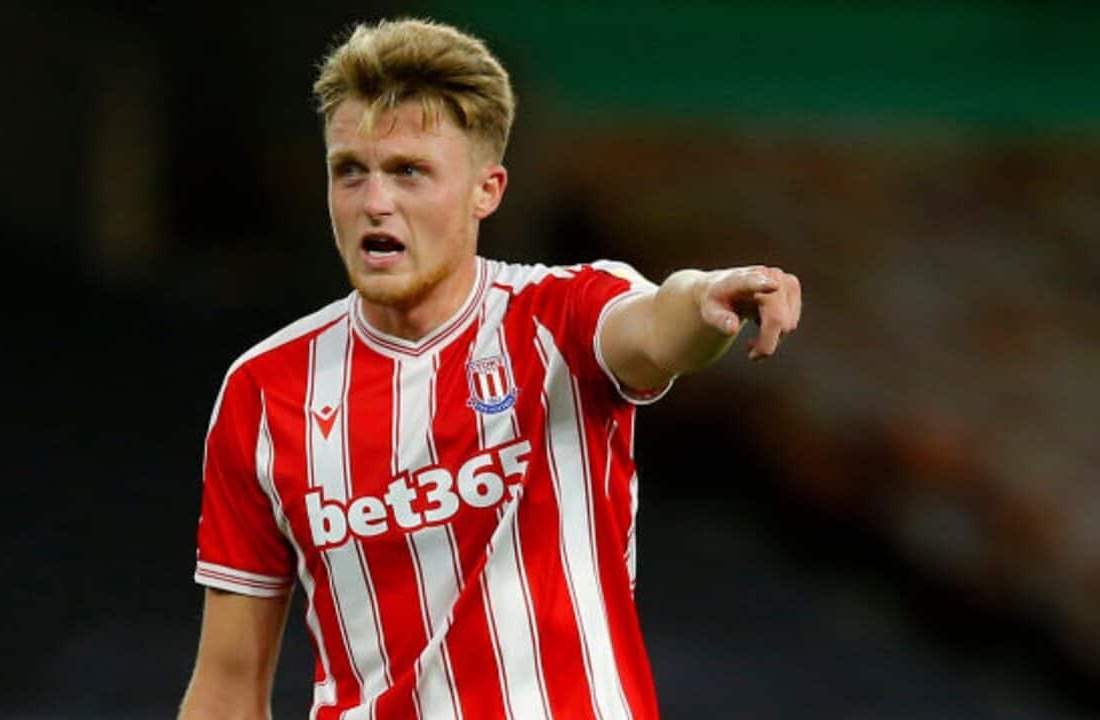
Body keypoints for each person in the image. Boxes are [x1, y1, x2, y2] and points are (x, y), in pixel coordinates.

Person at [178, 17, 801, 720]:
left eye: (409, 171)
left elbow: (659, 328)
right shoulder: (265, 389)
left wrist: (708, 297)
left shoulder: (561, 315)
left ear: (487, 190)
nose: (374, 202)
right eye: (349, 170)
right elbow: (228, 686)